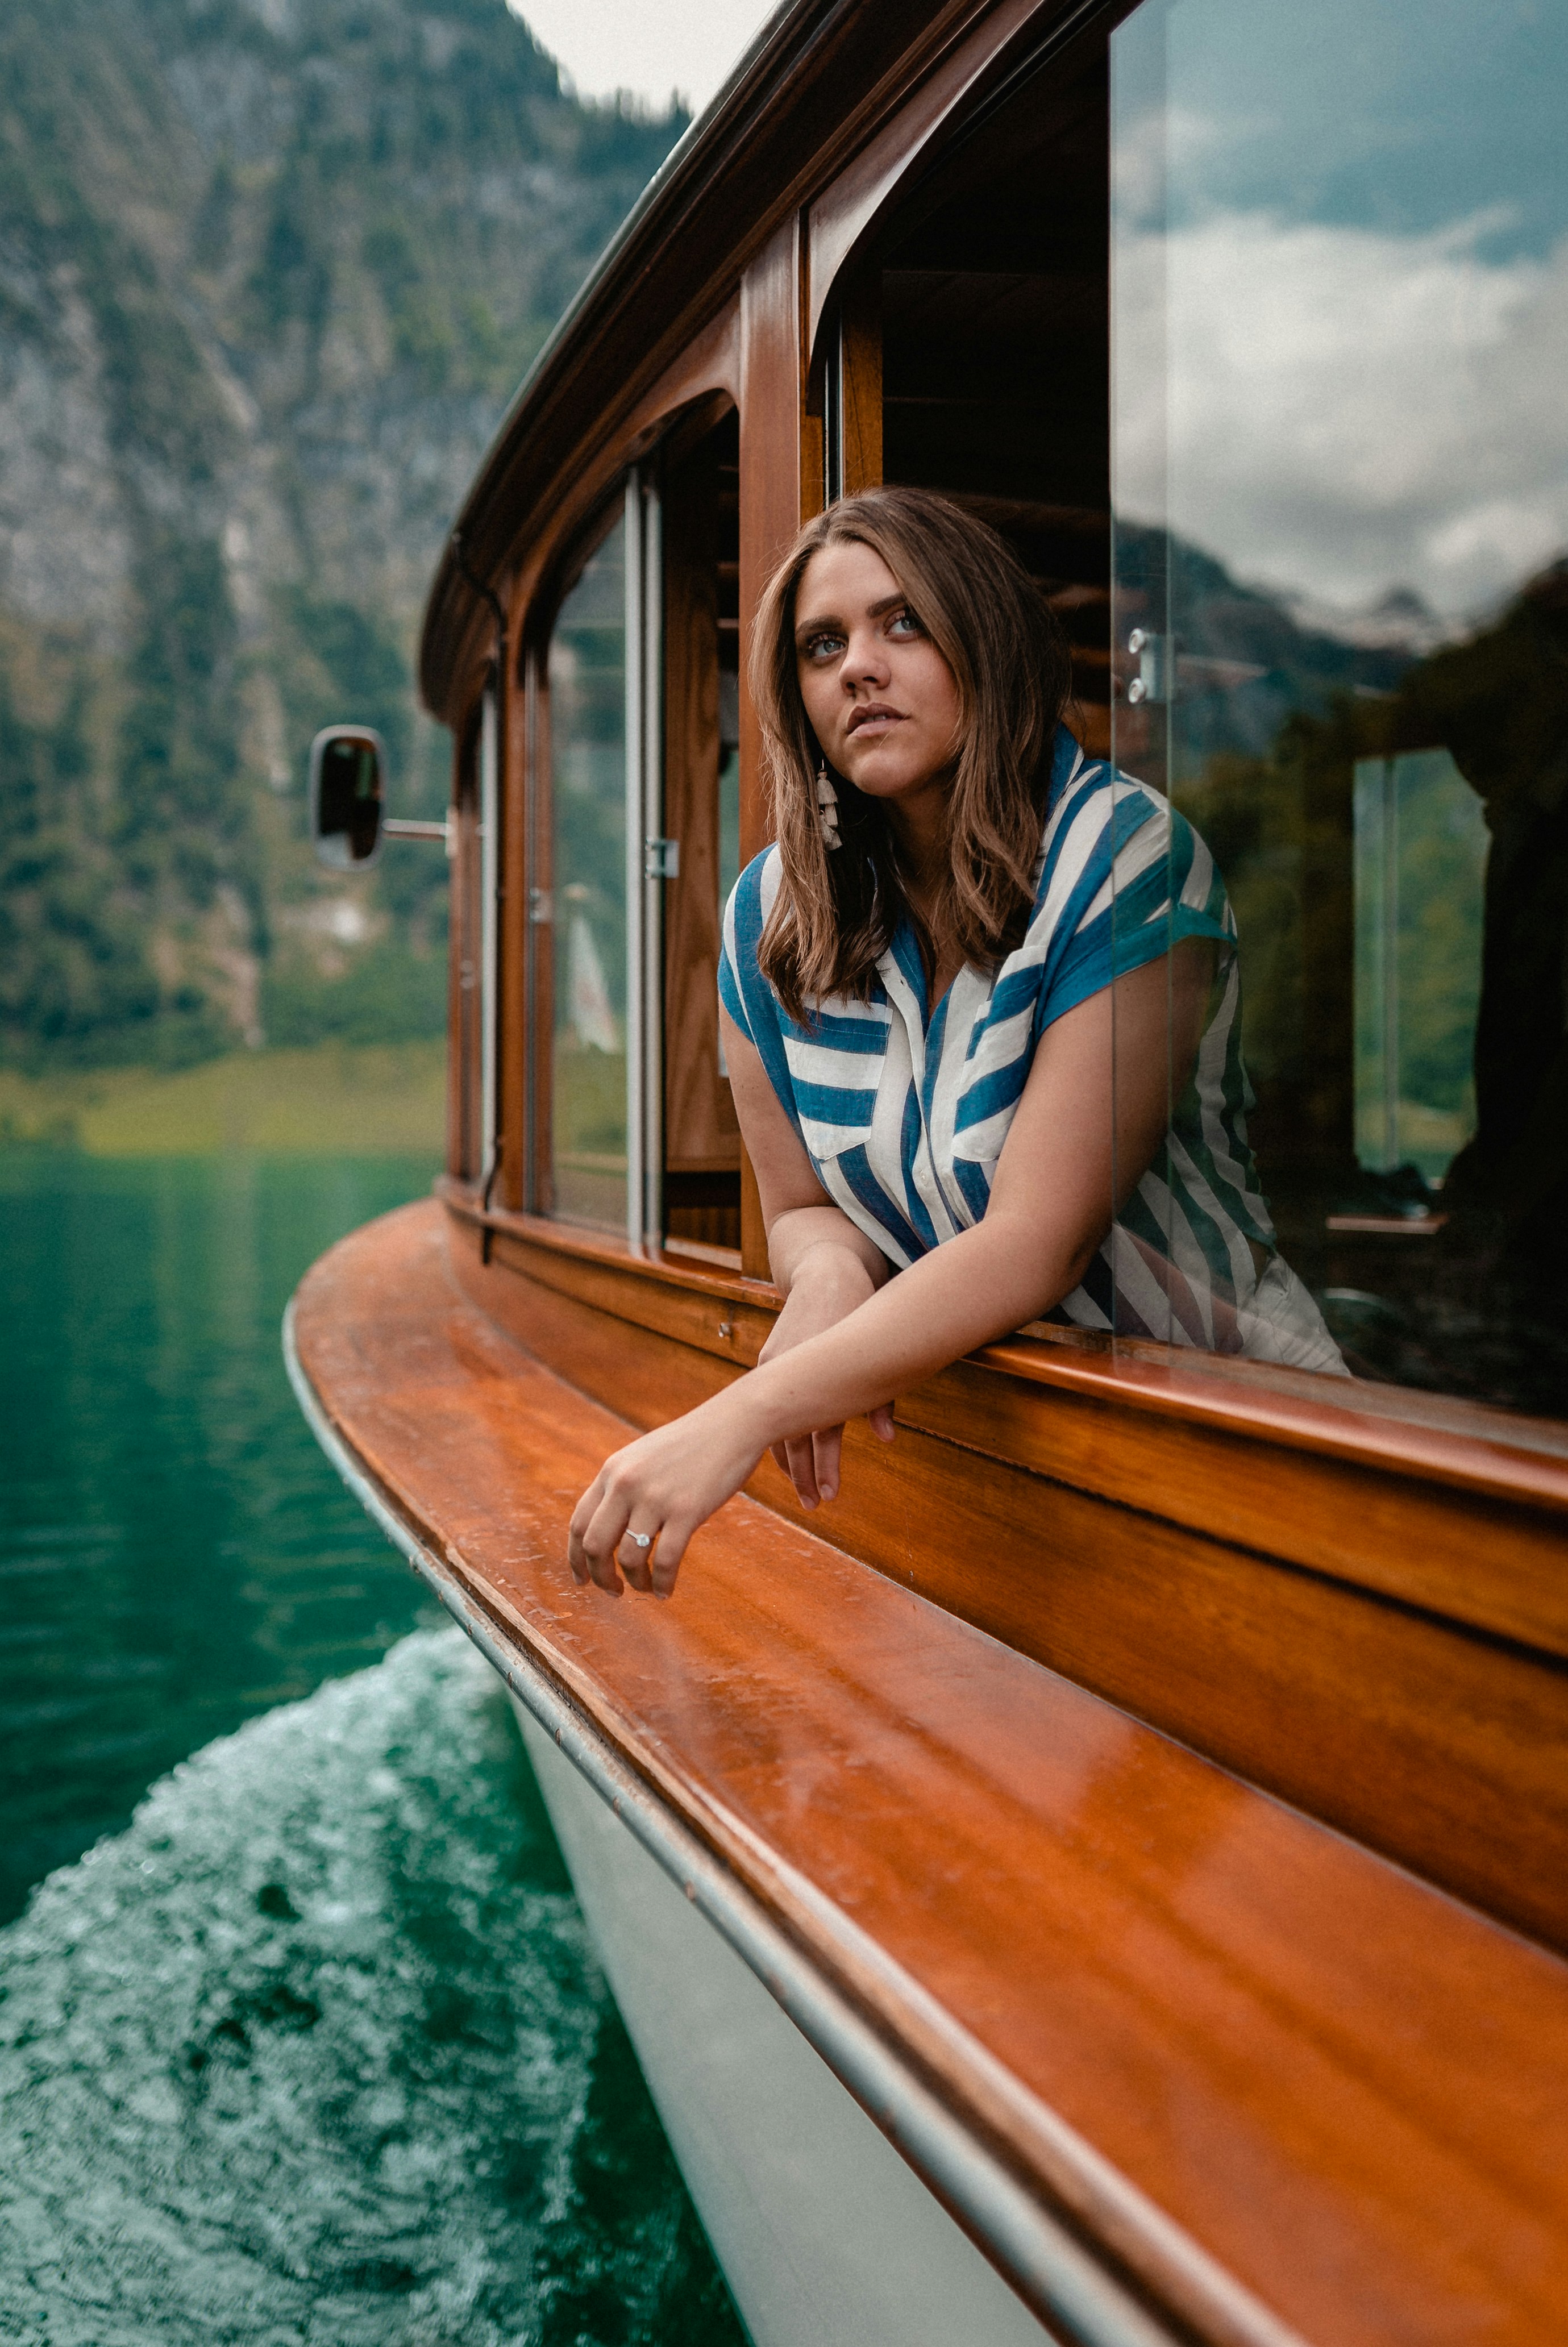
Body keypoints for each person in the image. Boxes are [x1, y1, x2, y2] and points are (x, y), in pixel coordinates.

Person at [568, 488, 1342, 1597]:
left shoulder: (1123, 856)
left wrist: (746, 1412)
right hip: (1010, 1465)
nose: (858, 668)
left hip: (1242, 1431)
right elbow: (798, 1209)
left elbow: (1037, 1242)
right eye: (822, 645)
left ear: (986, 643)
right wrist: (830, 1275)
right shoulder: (767, 920)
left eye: (904, 623)